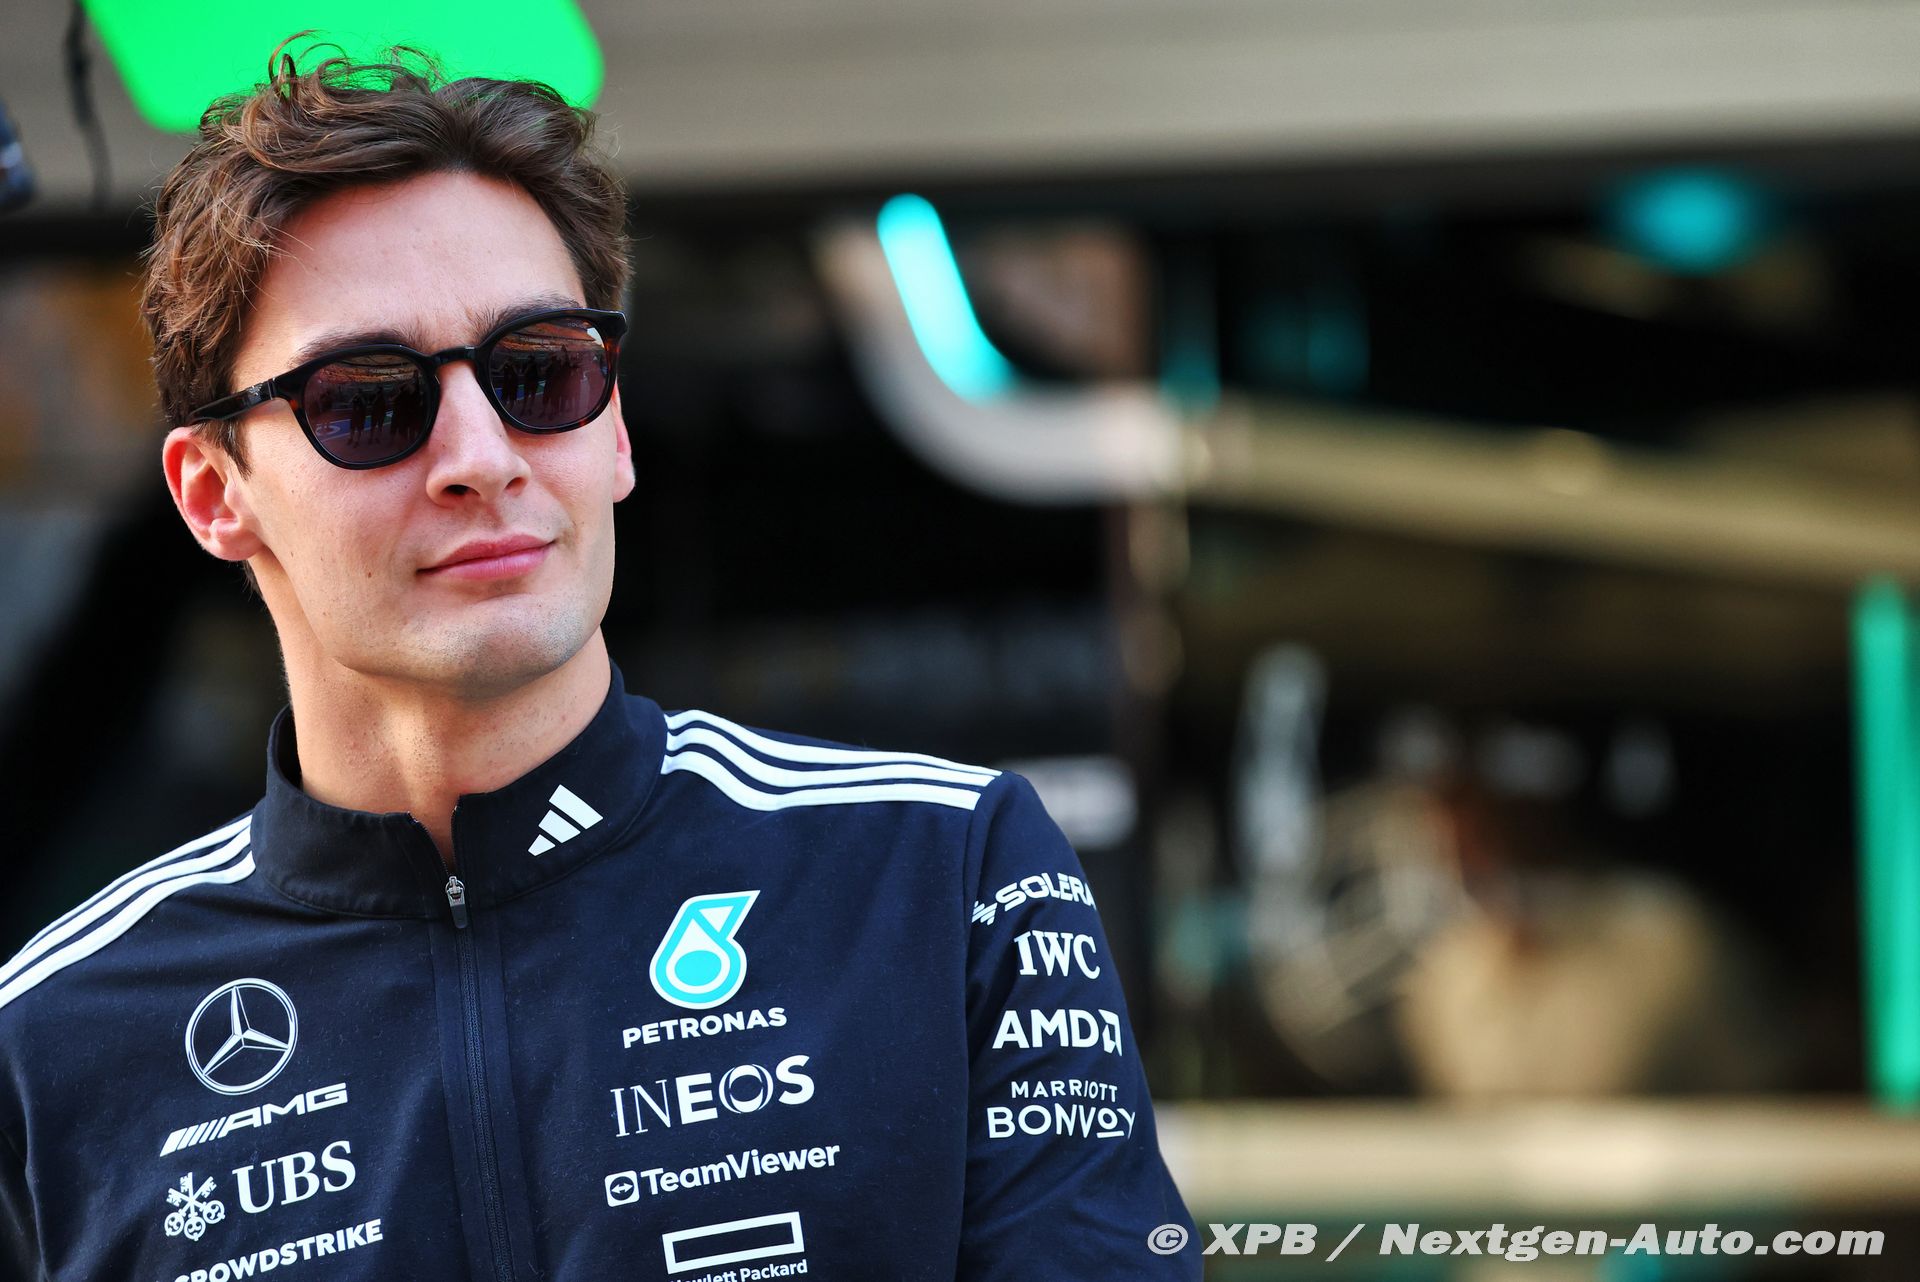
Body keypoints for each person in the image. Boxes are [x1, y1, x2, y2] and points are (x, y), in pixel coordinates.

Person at [0, 37, 1199, 1282]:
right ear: (214, 493)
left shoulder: (946, 875)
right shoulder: (49, 1045)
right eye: (367, 400)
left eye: (541, 373)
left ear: (614, 426)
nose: (482, 456)